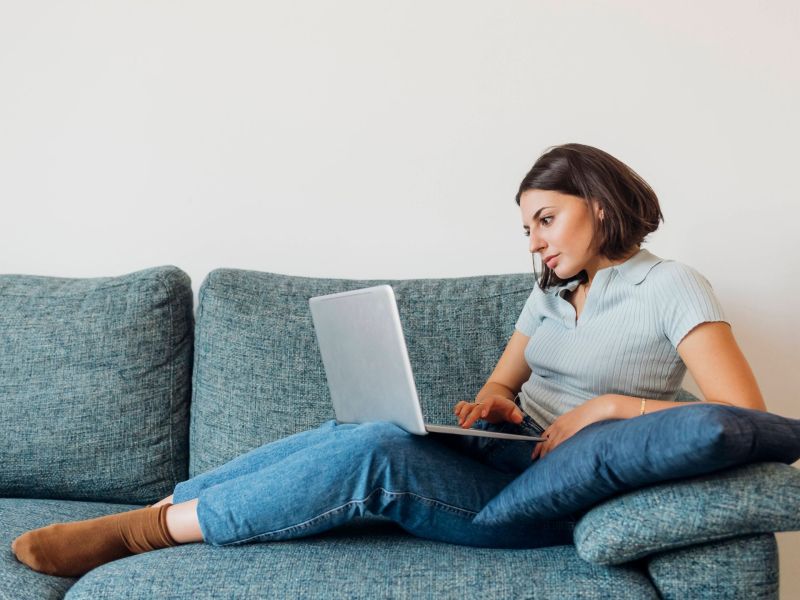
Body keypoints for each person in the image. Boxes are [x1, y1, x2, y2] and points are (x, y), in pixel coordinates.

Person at [11, 143, 766, 577]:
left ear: (599, 205)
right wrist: (489, 406)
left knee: (376, 456)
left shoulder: (671, 286)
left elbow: (744, 419)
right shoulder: (550, 292)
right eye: (527, 226)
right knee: (364, 428)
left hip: (546, 497)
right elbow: (504, 381)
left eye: (546, 218)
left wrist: (606, 408)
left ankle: (148, 534)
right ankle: (164, 506)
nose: (534, 240)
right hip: (507, 456)